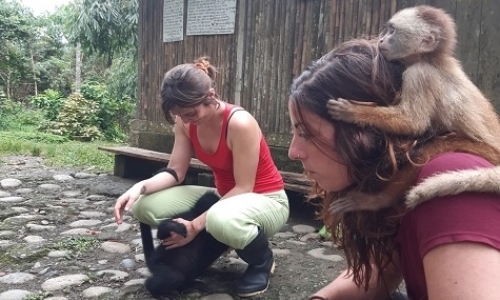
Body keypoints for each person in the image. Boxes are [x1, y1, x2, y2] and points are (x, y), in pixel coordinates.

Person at [287, 39, 500, 300]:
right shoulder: (401, 177)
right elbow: (381, 271)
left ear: (362, 131)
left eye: (306, 133)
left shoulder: (450, 183)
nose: (293, 152)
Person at [113, 57, 289, 297]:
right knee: (144, 206)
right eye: (180, 115)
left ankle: (262, 262)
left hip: (266, 199)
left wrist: (195, 226)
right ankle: (223, 239)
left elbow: (244, 187)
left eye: (190, 113)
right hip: (224, 196)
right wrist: (140, 187)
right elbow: (176, 171)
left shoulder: (240, 122)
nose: (186, 120)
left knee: (218, 218)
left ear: (211, 97)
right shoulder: (185, 122)